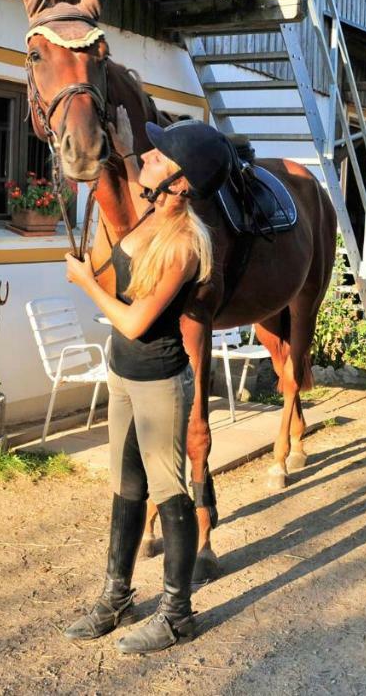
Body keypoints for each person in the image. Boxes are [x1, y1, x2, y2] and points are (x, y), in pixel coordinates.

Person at [62, 110, 232, 653]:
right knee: (126, 487)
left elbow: (135, 321)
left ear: (180, 183)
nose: (148, 160)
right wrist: (125, 147)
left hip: (159, 383)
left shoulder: (185, 242)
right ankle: (116, 596)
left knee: (170, 493)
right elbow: (133, 175)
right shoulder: (151, 214)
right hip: (122, 374)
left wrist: (87, 284)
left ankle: (178, 614)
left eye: (160, 156)